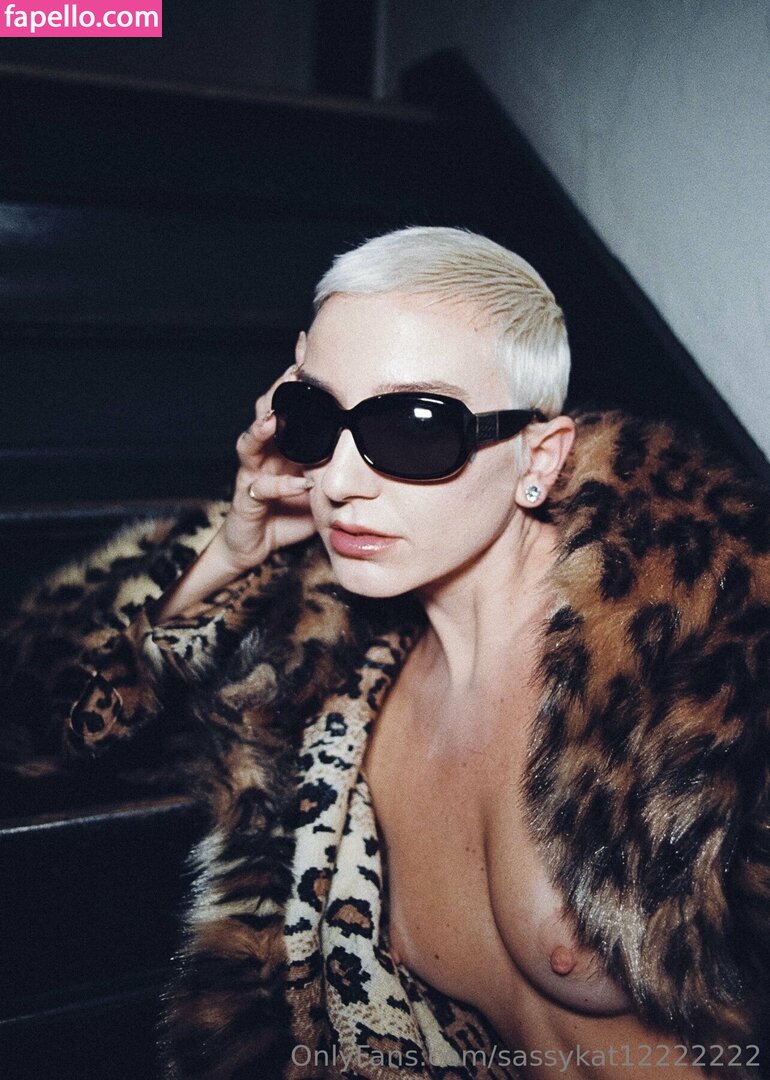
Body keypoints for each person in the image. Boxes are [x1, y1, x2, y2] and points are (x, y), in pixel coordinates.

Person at [1, 227, 767, 1080]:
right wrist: (228, 552)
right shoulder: (336, 685)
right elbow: (44, 727)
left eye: (414, 428)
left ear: (540, 458)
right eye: (314, 419)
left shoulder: (698, 657)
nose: (338, 482)